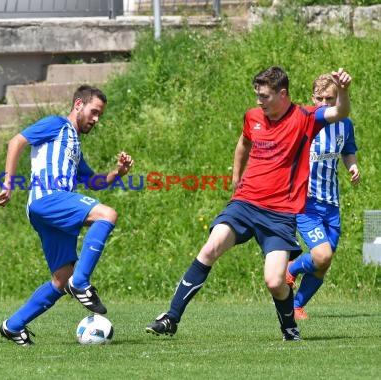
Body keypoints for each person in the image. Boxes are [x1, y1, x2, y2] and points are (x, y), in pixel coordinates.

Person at [146, 66, 352, 341]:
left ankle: (289, 328)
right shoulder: (253, 117)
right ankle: (171, 317)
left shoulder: (304, 117)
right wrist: (235, 178)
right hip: (245, 203)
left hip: (279, 214)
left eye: (264, 96)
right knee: (211, 248)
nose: (259, 101)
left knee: (275, 282)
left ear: (282, 94)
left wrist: (345, 91)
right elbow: (243, 143)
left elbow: (339, 113)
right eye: (257, 95)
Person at [0, 85, 133, 346]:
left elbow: (93, 182)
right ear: (78, 104)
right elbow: (17, 141)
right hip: (49, 198)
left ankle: (13, 326)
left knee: (61, 279)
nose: (96, 119)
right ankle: (81, 283)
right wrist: (8, 183)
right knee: (107, 214)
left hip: (49, 210)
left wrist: (118, 173)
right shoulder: (56, 124)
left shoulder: (73, 144)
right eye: (94, 112)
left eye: (100, 115)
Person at [285, 74, 360, 320]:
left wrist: (352, 166)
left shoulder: (344, 124)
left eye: (331, 98)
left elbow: (348, 150)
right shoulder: (303, 122)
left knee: (324, 263)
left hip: (332, 203)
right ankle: (292, 268)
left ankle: (296, 305)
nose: (326, 104)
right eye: (321, 99)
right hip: (306, 203)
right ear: (312, 98)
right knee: (322, 255)